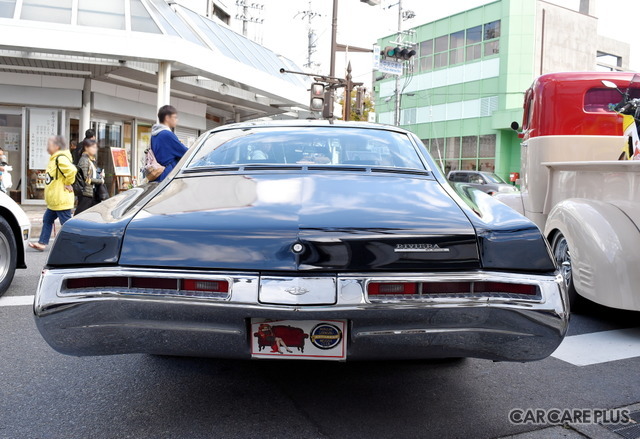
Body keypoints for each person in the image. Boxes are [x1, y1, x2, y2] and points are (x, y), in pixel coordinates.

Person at [29, 136, 77, 252]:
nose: (47, 147)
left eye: (49, 144)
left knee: (66, 224)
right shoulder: (54, 159)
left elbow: (72, 170)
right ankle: (42, 243)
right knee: (47, 219)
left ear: (57, 147)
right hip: (55, 201)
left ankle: (75, 244)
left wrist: (67, 182)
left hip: (61, 199)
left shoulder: (60, 159)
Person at [151, 105, 188, 182]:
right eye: (175, 117)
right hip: (167, 175)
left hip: (157, 174)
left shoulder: (154, 135)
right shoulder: (167, 134)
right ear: (167, 118)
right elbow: (186, 153)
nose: (177, 120)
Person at [75, 139, 104, 215]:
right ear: (86, 148)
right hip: (86, 193)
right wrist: (100, 181)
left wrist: (100, 175)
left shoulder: (90, 160)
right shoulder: (84, 160)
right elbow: (86, 178)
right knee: (80, 214)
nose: (95, 149)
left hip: (91, 192)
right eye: (93, 147)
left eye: (96, 147)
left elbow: (92, 175)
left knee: (93, 214)